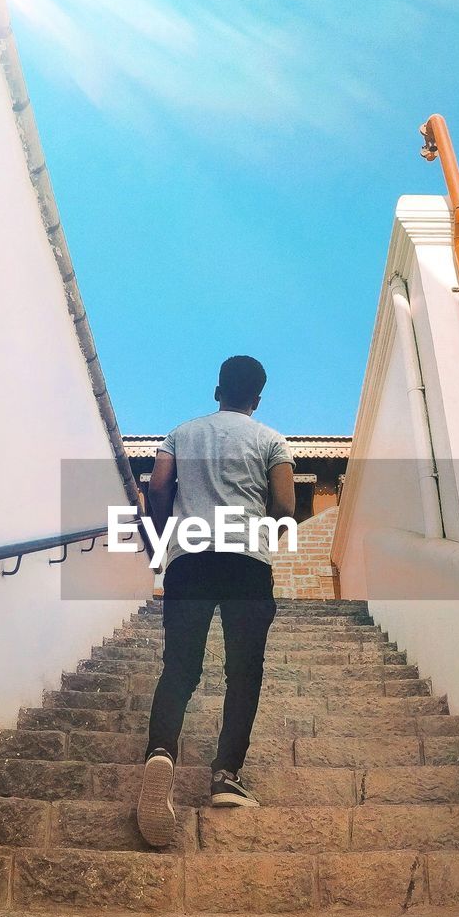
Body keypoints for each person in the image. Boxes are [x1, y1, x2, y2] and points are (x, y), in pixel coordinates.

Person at [136, 355, 296, 848]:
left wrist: (166, 527)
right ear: (257, 397)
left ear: (217, 390)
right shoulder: (272, 439)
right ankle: (226, 775)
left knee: (180, 666)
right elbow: (287, 505)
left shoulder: (181, 433)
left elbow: (159, 486)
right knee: (243, 670)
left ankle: (161, 752)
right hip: (246, 561)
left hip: (190, 559)